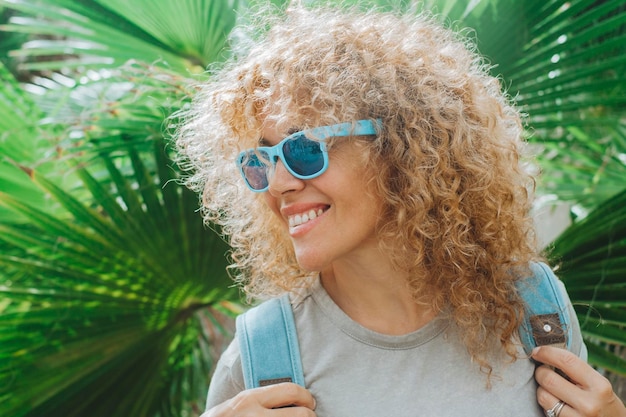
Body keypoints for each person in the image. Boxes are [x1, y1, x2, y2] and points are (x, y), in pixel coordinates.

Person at [174, 4, 626, 417]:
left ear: (401, 150)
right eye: (262, 161)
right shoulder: (261, 357)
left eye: (304, 150)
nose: (279, 184)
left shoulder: (534, 308)